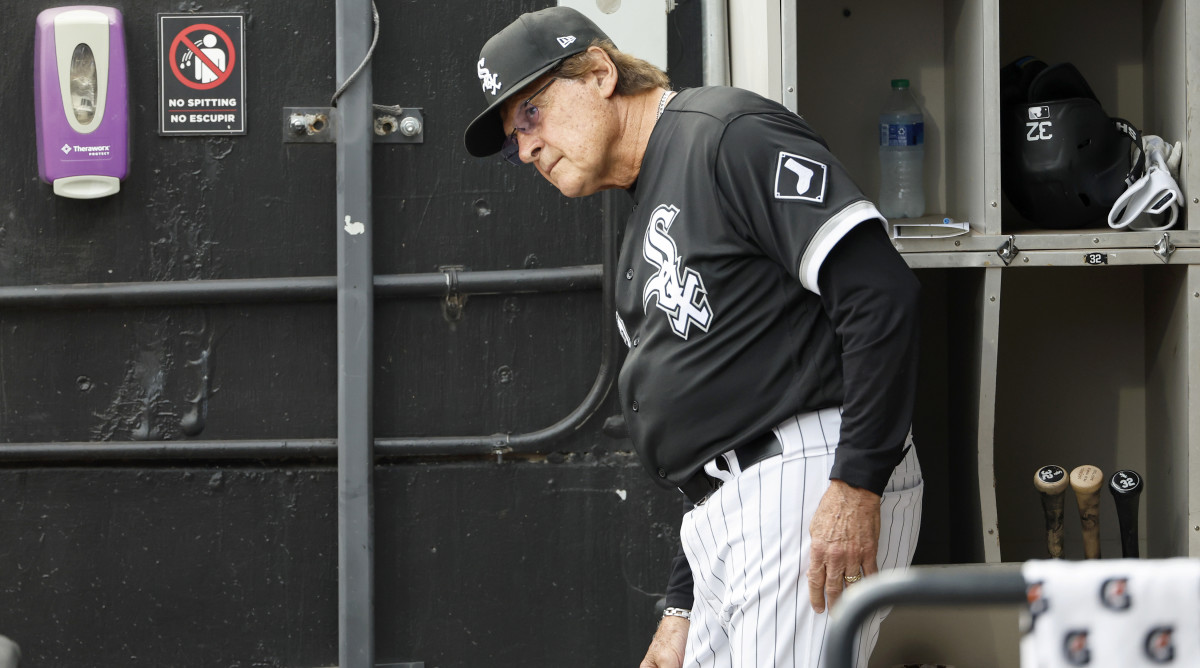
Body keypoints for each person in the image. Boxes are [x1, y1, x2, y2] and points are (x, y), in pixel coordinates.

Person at [464, 7, 924, 667]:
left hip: (807, 472)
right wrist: (681, 608)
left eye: (530, 114)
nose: (526, 147)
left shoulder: (725, 134)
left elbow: (881, 293)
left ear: (598, 72)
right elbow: (703, 436)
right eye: (513, 141)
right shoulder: (635, 241)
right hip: (729, 505)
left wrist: (856, 483)